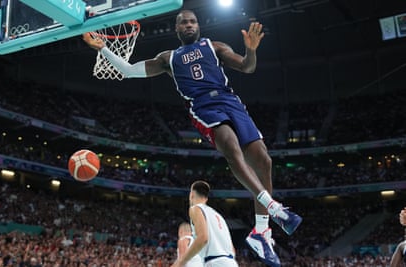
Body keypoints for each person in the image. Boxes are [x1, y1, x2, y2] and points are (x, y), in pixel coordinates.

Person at [83, 9, 302, 266]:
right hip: (202, 107)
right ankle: (273, 206)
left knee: (263, 159)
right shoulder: (169, 58)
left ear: (199, 26)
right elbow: (129, 70)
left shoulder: (215, 46)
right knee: (231, 146)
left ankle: (262, 232)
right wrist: (103, 49)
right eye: (183, 22)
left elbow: (247, 66)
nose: (188, 24)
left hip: (229, 100)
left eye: (192, 21)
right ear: (176, 30)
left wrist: (251, 50)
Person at [172, 180, 238, 267]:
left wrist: (182, 261)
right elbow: (232, 249)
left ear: (191, 195)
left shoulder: (195, 208)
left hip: (215, 262)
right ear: (206, 198)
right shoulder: (218, 216)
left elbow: (203, 238)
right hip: (231, 262)